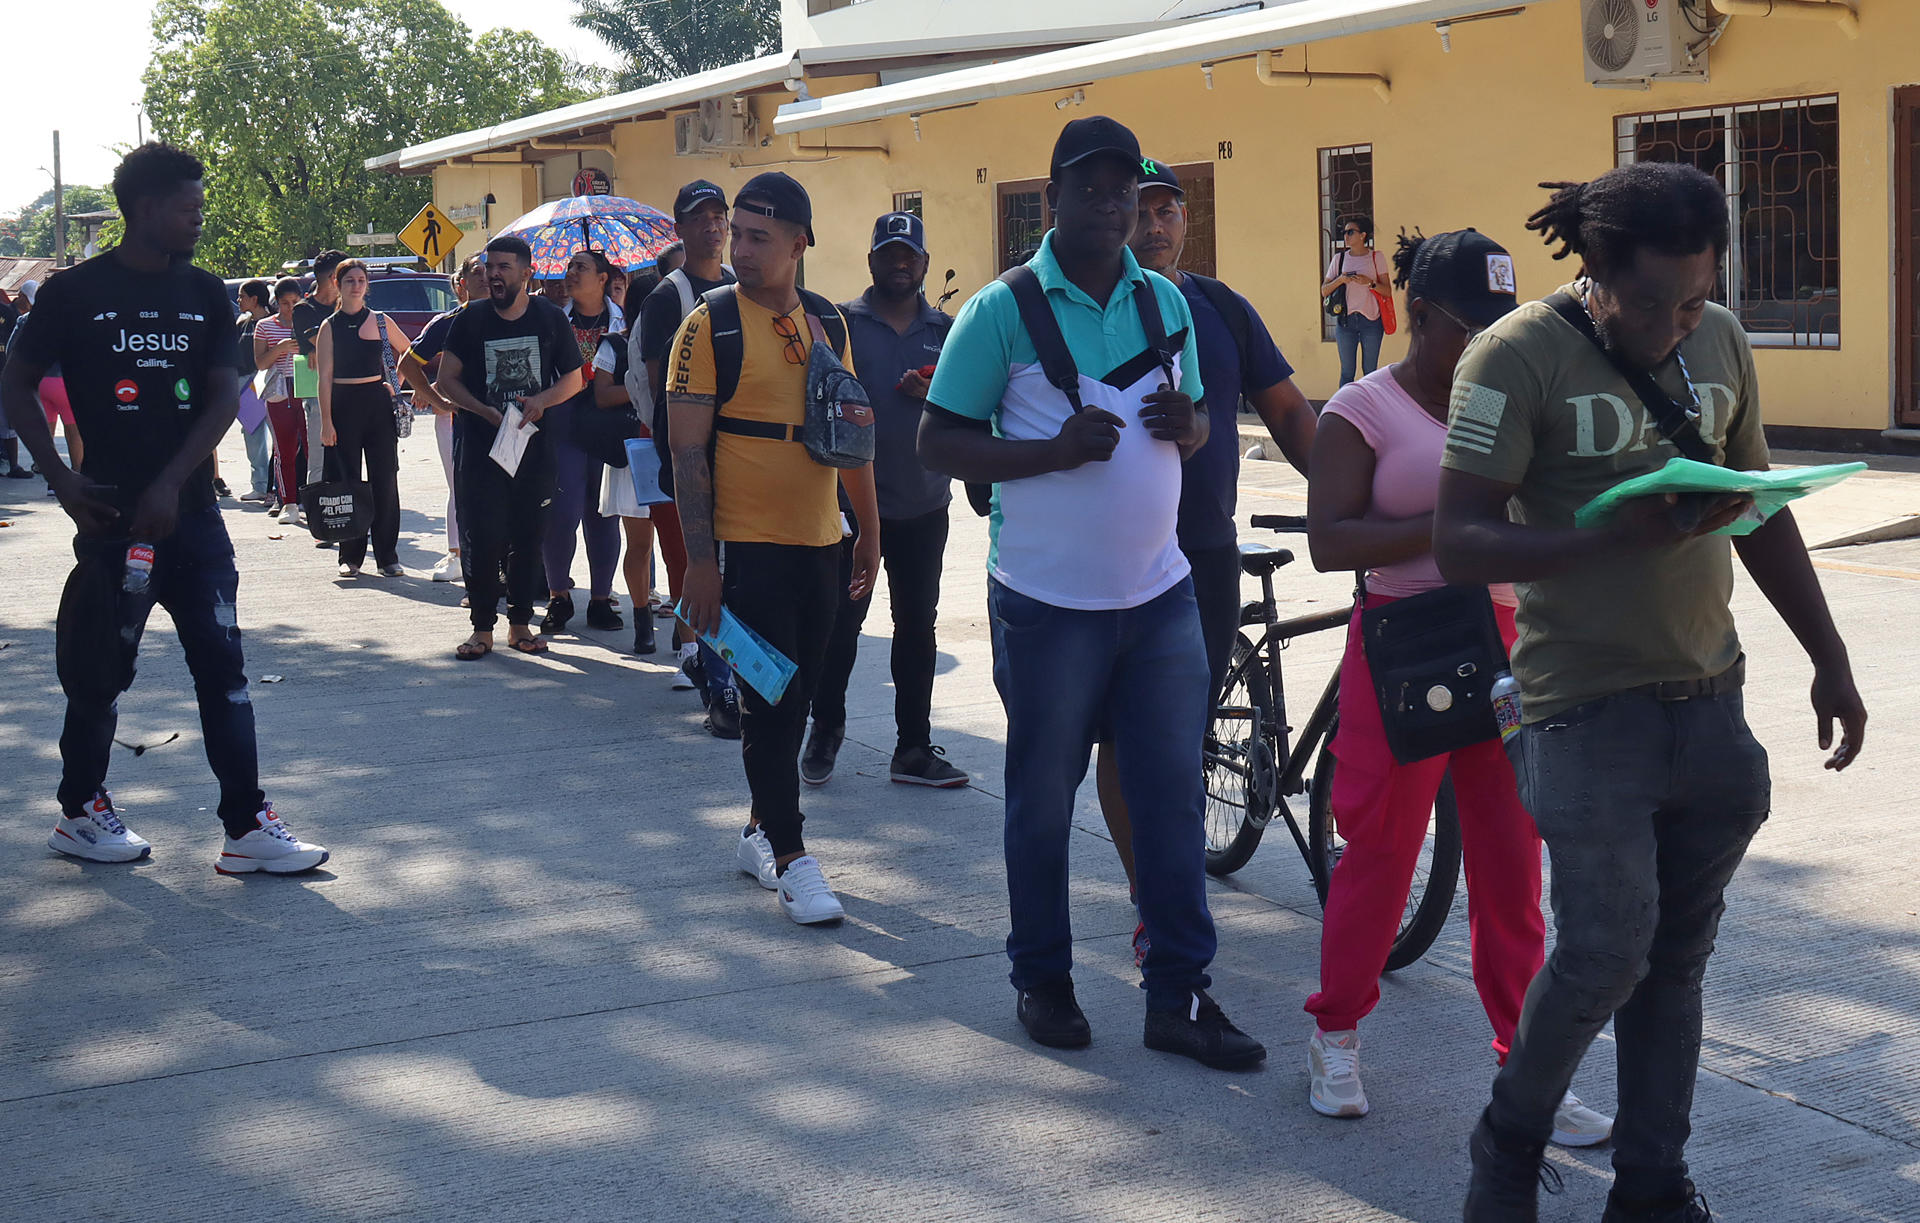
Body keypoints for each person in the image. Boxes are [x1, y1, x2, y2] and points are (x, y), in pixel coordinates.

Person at [1434, 164, 1868, 1222]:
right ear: (1595, 275)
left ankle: (1654, 1186)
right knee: (1600, 952)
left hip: (1708, 696)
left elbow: (1757, 503)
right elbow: (1457, 538)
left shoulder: (1716, 337)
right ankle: (1509, 1140)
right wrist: (1595, 539)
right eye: (1651, 302)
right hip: (1580, 706)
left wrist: (1830, 652)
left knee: (1675, 959)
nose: (1677, 324)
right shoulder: (1513, 356)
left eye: (1695, 296)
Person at [918, 116, 1263, 1071]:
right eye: (1094, 189)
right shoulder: (1003, 309)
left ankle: (1180, 996)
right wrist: (1052, 452)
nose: (1114, 207)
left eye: (1129, 192)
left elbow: (1192, 420)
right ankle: (1044, 979)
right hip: (1046, 604)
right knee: (1041, 798)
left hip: (1159, 597)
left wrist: (1191, 424)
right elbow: (937, 442)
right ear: (1053, 198)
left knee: (1170, 800)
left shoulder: (1167, 303)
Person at [1300, 226, 1613, 1148]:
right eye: (1466, 326)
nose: (1486, 343)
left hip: (1508, 645)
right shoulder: (1362, 410)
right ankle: (1335, 1031)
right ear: (1420, 313)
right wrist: (1454, 522)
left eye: (1499, 325)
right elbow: (1333, 542)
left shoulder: (1518, 399)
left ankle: (1530, 1062)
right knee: (1381, 851)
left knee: (1514, 862)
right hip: (1404, 645)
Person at [0, 141, 328, 873]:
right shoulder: (72, 293)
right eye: (189, 208)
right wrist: (60, 477)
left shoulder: (207, 293)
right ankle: (80, 810)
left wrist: (173, 482)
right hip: (111, 519)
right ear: (146, 209)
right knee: (100, 670)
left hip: (192, 520)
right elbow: (14, 383)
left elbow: (222, 397)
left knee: (225, 667)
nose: (199, 220)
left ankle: (245, 826)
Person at [1102, 157, 1318, 965]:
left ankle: (1170, 893)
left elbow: (1291, 412)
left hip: (1204, 556)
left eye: (1168, 210)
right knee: (1127, 743)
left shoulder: (1220, 306)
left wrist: (1353, 491)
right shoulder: (1085, 308)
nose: (1154, 225)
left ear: (1186, 220)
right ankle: (1148, 899)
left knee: (1184, 742)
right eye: (1140, 209)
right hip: (1114, 563)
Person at [667, 171, 880, 926]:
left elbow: (851, 432)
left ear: (800, 242)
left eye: (759, 237)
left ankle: (759, 827)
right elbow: (687, 453)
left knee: (806, 695)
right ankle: (792, 858)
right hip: (744, 550)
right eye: (737, 234)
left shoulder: (830, 321)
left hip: (823, 542)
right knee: (772, 701)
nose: (740, 249)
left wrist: (869, 534)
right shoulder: (708, 325)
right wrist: (700, 562)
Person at [802, 211, 966, 789]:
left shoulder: (947, 332)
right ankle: (825, 731)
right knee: (840, 625)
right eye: (889, 253)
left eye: (910, 255)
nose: (900, 263)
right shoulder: (842, 325)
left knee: (917, 627)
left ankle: (913, 749)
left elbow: (973, 408)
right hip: (849, 512)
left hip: (924, 507)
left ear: (923, 263)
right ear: (871, 260)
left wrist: (938, 393)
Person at [435, 235, 584, 659]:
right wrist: (482, 410)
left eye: (503, 267)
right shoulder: (469, 319)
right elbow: (447, 380)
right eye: (488, 266)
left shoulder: (550, 318)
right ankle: (482, 629)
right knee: (482, 537)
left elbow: (573, 379)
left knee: (527, 537)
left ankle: (521, 625)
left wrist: (540, 401)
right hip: (482, 448)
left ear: (526, 273)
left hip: (534, 449)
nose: (493, 274)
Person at [636, 180, 739, 738]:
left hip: (744, 456)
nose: (712, 225)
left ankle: (717, 667)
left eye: (719, 215)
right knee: (706, 570)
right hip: (693, 459)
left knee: (736, 574)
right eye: (699, 217)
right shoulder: (666, 298)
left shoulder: (741, 285)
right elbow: (662, 395)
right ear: (680, 227)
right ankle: (719, 686)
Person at [541, 248, 626, 633]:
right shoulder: (553, 320)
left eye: (581, 268)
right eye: (569, 267)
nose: (571, 274)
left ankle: (601, 600)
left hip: (608, 424)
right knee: (562, 513)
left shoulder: (625, 322)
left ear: (603, 278)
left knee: (604, 513)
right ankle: (558, 596)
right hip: (564, 423)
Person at [315, 258, 409, 578]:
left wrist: (395, 386)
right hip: (343, 405)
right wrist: (326, 422)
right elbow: (324, 376)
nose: (356, 285)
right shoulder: (330, 325)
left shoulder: (381, 321)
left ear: (367, 285)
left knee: (385, 480)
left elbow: (409, 352)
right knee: (347, 484)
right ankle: (350, 556)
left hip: (377, 405)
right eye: (349, 280)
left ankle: (387, 556)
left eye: (360, 280)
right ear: (337, 285)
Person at [398, 255, 486, 584]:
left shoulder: (516, 316)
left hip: (509, 423)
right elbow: (408, 364)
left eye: (490, 271)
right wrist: (439, 399)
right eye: (476, 273)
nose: (485, 278)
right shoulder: (448, 322)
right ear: (461, 283)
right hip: (460, 422)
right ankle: (457, 554)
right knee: (461, 488)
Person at [590, 326, 658, 654]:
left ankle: (686, 626)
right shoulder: (614, 344)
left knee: (685, 546)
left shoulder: (688, 335)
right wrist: (642, 387)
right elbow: (601, 395)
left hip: (675, 445)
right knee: (641, 544)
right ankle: (642, 618)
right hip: (633, 451)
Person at [290, 250, 346, 491]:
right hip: (317, 392)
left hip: (349, 388)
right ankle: (317, 513)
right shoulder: (304, 309)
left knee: (348, 456)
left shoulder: (347, 306)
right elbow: (338, 346)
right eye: (346, 276)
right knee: (319, 456)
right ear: (334, 277)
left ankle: (349, 506)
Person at [254, 278, 307, 523]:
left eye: (295, 302)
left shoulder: (312, 322)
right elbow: (261, 363)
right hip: (280, 389)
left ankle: (312, 497)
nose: (290, 308)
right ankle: (288, 502)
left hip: (308, 387)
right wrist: (281, 348)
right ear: (277, 303)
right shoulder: (264, 326)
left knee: (311, 448)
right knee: (284, 449)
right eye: (285, 303)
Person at [1321, 213, 1391, 386]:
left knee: (1370, 373)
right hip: (1346, 322)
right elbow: (1324, 290)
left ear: (1363, 235)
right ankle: (1343, 412)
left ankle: (1370, 411)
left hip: (1371, 321)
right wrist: (1341, 280)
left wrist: (1370, 283)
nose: (1346, 236)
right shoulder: (1339, 259)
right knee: (1347, 373)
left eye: (1350, 232)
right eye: (1344, 232)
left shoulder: (1376, 257)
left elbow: (1387, 291)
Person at [233, 279, 278, 506]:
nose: (238, 300)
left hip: (269, 380)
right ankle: (259, 485)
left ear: (255, 299)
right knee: (252, 433)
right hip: (245, 382)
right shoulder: (242, 322)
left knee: (278, 433)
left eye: (242, 296)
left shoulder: (273, 322)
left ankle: (278, 485)